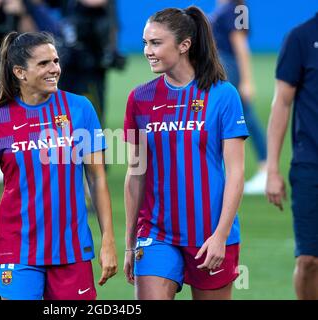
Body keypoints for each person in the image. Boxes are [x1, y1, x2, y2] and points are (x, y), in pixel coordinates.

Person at [0, 31, 117, 300]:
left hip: (72, 250)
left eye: (55, 60)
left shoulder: (80, 109)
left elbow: (96, 179)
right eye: (44, 64)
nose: (55, 69)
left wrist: (107, 239)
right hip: (16, 250)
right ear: (20, 72)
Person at [123, 6, 249, 300]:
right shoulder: (139, 99)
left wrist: (220, 236)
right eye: (145, 43)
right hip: (156, 233)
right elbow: (136, 173)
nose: (147, 51)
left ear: (184, 45)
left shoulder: (223, 95)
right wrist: (131, 243)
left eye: (156, 43)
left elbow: (236, 172)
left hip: (210, 235)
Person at [265, 13, 318, 300]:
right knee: (309, 260)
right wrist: (272, 169)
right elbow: (282, 102)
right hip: (310, 165)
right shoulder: (300, 38)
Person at [210, 0, 267, 195]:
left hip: (229, 67)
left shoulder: (236, 8)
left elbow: (240, 45)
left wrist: (247, 80)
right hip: (224, 66)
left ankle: (266, 169)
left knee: (243, 116)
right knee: (239, 116)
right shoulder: (227, 8)